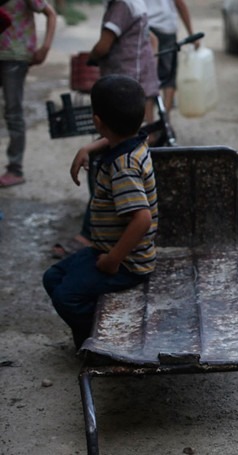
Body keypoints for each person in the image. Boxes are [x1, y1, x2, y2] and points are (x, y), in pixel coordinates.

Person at [43, 75, 158, 351]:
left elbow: (142, 219)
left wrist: (112, 260)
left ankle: (103, 343)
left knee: (67, 297)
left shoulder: (124, 166)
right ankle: (93, 329)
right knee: (52, 278)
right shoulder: (135, 141)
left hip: (127, 262)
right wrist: (89, 147)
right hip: (107, 249)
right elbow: (115, 138)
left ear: (97, 122)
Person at [0, 0, 56, 188]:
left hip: (16, 55)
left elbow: (51, 14)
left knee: (13, 111)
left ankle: (15, 169)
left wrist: (45, 48)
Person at [89, 0, 160, 125]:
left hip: (125, 74)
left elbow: (103, 46)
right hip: (141, 69)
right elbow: (152, 38)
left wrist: (92, 57)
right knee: (144, 126)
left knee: (121, 127)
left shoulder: (121, 6)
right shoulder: (136, 3)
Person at [146, 0, 198, 111]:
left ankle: (149, 123)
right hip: (166, 29)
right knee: (169, 78)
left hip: (147, 27)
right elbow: (180, 4)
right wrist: (191, 33)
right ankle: (166, 121)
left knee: (148, 77)